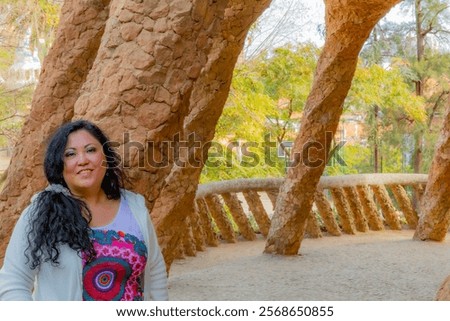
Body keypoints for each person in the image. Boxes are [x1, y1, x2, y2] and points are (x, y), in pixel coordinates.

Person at [0, 120, 168, 301]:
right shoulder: (40, 213)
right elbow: (13, 281)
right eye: (70, 154)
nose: (83, 160)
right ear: (59, 164)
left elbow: (155, 271)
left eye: (91, 150)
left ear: (106, 156)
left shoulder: (135, 207)